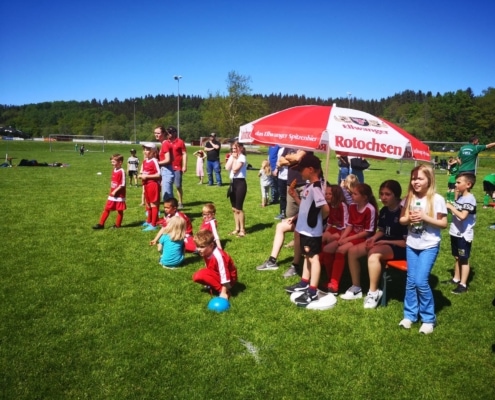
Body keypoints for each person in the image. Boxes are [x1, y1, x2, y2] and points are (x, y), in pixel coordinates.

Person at [341, 180, 407, 308]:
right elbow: (382, 230)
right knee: (353, 251)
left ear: (396, 195)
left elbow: (405, 242)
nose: (383, 197)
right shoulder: (384, 210)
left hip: (400, 247)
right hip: (384, 243)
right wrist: (373, 238)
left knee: (373, 253)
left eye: (387, 194)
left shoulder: (403, 212)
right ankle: (356, 288)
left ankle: (373, 292)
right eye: (381, 194)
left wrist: (384, 241)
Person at [399, 164, 447, 334]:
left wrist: (425, 217)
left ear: (429, 180)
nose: (415, 182)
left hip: (429, 245)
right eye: (413, 178)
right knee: (411, 281)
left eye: (420, 178)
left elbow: (443, 224)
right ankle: (409, 315)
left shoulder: (437, 199)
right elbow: (402, 220)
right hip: (412, 244)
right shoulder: (409, 198)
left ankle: (428, 319)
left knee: (420, 281)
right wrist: (409, 220)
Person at [284, 154, 329, 306]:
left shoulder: (316, 188)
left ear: (310, 169)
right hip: (304, 229)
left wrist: (317, 221)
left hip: (312, 231)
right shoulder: (309, 186)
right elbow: (305, 205)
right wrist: (295, 196)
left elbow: (325, 209)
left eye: (301, 170)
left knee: (313, 258)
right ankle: (304, 283)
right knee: (307, 256)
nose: (299, 173)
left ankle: (313, 291)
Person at [322, 183, 378, 294]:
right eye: (352, 193)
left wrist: (347, 239)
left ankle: (334, 284)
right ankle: (330, 278)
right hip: (351, 235)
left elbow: (367, 232)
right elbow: (350, 225)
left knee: (340, 250)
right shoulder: (352, 206)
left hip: (363, 238)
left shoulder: (370, 209)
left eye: (355, 194)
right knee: (327, 249)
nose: (352, 196)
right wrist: (342, 238)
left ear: (364, 197)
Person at [444, 173, 477, 294]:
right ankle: (456, 278)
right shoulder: (461, 197)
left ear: (468, 184)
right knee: (457, 257)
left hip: (463, 234)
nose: (455, 184)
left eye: (458, 182)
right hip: (455, 232)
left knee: (464, 259)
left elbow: (463, 216)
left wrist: (450, 207)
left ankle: (463, 285)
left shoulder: (470, 199)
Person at [192, 230, 238, 299]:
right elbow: (209, 266)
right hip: (217, 274)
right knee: (197, 276)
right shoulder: (205, 252)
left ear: (211, 245)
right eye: (197, 246)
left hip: (229, 280)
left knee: (200, 275)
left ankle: (225, 291)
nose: (198, 249)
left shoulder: (218, 256)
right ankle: (214, 285)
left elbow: (225, 275)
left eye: (202, 247)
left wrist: (223, 292)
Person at [320, 184, 349, 287]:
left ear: (336, 195)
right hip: (336, 228)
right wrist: (325, 233)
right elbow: (330, 222)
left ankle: (330, 275)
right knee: (322, 237)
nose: (327, 196)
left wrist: (341, 238)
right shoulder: (330, 205)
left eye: (330, 194)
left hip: (344, 231)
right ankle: (321, 262)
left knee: (330, 239)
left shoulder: (342, 205)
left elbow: (345, 224)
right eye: (326, 194)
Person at [92, 154, 127, 229]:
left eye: (114, 162)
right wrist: (112, 191)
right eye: (111, 162)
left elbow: (123, 184)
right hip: (112, 194)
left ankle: (117, 225)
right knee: (107, 208)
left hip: (119, 195)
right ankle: (101, 224)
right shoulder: (114, 170)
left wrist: (115, 191)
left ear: (120, 162)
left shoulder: (122, 171)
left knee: (119, 210)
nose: (112, 163)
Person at [225, 140, 248, 237]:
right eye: (233, 148)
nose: (234, 150)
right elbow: (227, 168)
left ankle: (242, 230)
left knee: (239, 208)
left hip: (240, 183)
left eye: (236, 148)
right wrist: (232, 158)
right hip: (232, 183)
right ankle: (237, 228)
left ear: (241, 148)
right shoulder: (232, 156)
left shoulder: (242, 157)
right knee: (234, 208)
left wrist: (234, 159)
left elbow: (234, 170)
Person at [139, 143, 161, 231]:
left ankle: (153, 224)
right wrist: (141, 175)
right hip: (146, 185)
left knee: (153, 204)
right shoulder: (145, 161)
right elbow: (143, 172)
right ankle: (149, 221)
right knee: (148, 204)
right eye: (144, 149)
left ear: (153, 151)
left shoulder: (154, 161)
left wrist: (146, 176)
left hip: (153, 185)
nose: (145, 151)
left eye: (147, 149)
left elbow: (158, 174)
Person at [167, 126, 187, 209]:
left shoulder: (180, 142)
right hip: (168, 167)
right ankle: (170, 203)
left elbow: (184, 153)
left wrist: (184, 165)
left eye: (171, 132)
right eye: (168, 132)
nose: (169, 134)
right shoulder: (166, 142)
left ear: (175, 133)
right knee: (168, 186)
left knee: (178, 185)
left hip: (177, 167)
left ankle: (180, 201)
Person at [154, 126, 174, 202]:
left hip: (167, 171)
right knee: (167, 196)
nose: (156, 135)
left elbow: (168, 160)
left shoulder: (165, 144)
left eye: (158, 133)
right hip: (165, 171)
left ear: (163, 134)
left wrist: (156, 163)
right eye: (155, 133)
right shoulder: (165, 143)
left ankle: (172, 209)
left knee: (167, 197)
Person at [274, 147, 288, 220]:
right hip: (281, 176)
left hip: (290, 177)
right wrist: (277, 169)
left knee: (290, 196)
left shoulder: (293, 149)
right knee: (282, 196)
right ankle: (282, 212)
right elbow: (278, 162)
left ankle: (291, 213)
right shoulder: (280, 150)